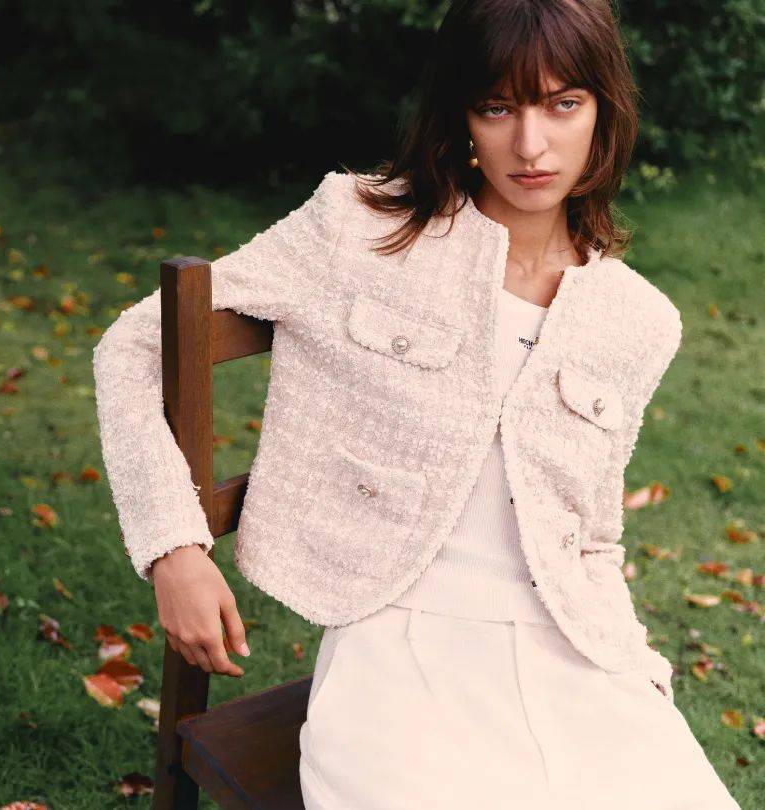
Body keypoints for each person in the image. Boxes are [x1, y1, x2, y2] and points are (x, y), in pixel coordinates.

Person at [92, 1, 743, 807]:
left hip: (575, 655)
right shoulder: (359, 227)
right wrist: (174, 549)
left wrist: (635, 672)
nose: (530, 145)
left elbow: (593, 537)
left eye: (562, 104)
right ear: (460, 116)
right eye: (497, 107)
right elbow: (132, 346)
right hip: (397, 648)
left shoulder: (638, 321)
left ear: (604, 112)